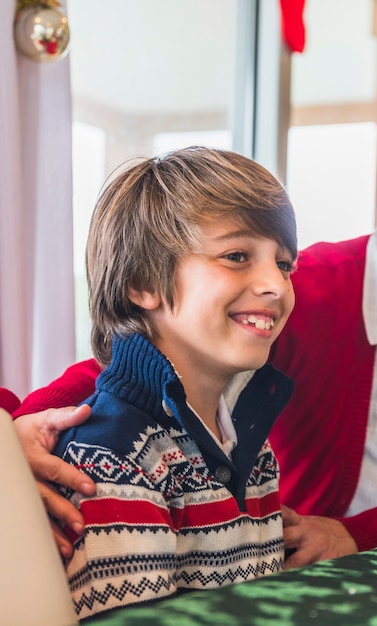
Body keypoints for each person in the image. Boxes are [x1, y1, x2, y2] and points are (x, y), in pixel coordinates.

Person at [13, 91, 377, 571]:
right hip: (303, 570)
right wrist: (10, 432)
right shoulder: (312, 287)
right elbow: (151, 357)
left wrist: (359, 533)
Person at [18, 146, 297, 620]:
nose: (277, 284)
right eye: (236, 255)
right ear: (143, 282)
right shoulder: (111, 461)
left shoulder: (253, 446)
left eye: (285, 263)